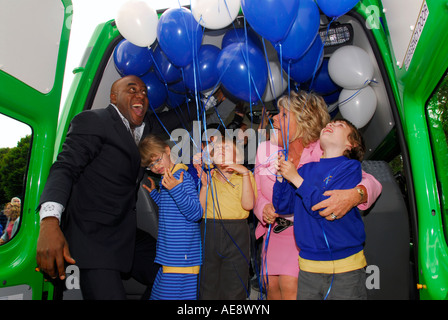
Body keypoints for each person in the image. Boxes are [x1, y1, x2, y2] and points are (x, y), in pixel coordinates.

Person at [35, 75, 197, 300]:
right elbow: (65, 167)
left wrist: (212, 100)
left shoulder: (146, 125)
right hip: (93, 237)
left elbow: (173, 118)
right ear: (113, 96)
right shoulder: (93, 120)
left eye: (144, 91)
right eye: (132, 89)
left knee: (172, 274)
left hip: (126, 233)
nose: (140, 94)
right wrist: (50, 222)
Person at [253, 90, 382, 300]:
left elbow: (368, 179)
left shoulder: (323, 151)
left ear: (305, 121)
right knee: (270, 286)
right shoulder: (265, 151)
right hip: (275, 233)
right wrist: (263, 208)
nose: (273, 118)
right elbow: (260, 192)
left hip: (311, 239)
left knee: (290, 285)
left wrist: (357, 194)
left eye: (283, 114)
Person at [273, 119, 370, 300]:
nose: (330, 125)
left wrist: (295, 178)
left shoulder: (350, 168)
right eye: (329, 123)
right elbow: (283, 206)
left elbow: (324, 208)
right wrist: (281, 179)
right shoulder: (304, 170)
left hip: (346, 268)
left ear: (352, 143)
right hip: (308, 268)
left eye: (340, 125)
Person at [139, 134, 203, 300]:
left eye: (158, 160)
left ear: (167, 151)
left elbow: (196, 213)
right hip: (170, 254)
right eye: (150, 165)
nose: (156, 167)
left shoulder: (181, 177)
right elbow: (171, 209)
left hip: (182, 257)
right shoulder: (167, 179)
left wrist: (175, 189)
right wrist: (155, 194)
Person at [196, 137, 257, 300]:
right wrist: (204, 187)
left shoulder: (246, 177)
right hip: (209, 229)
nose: (222, 150)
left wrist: (244, 173)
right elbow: (199, 211)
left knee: (236, 277)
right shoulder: (208, 177)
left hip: (237, 230)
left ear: (238, 158)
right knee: (208, 278)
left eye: (227, 148)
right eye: (217, 148)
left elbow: (248, 205)